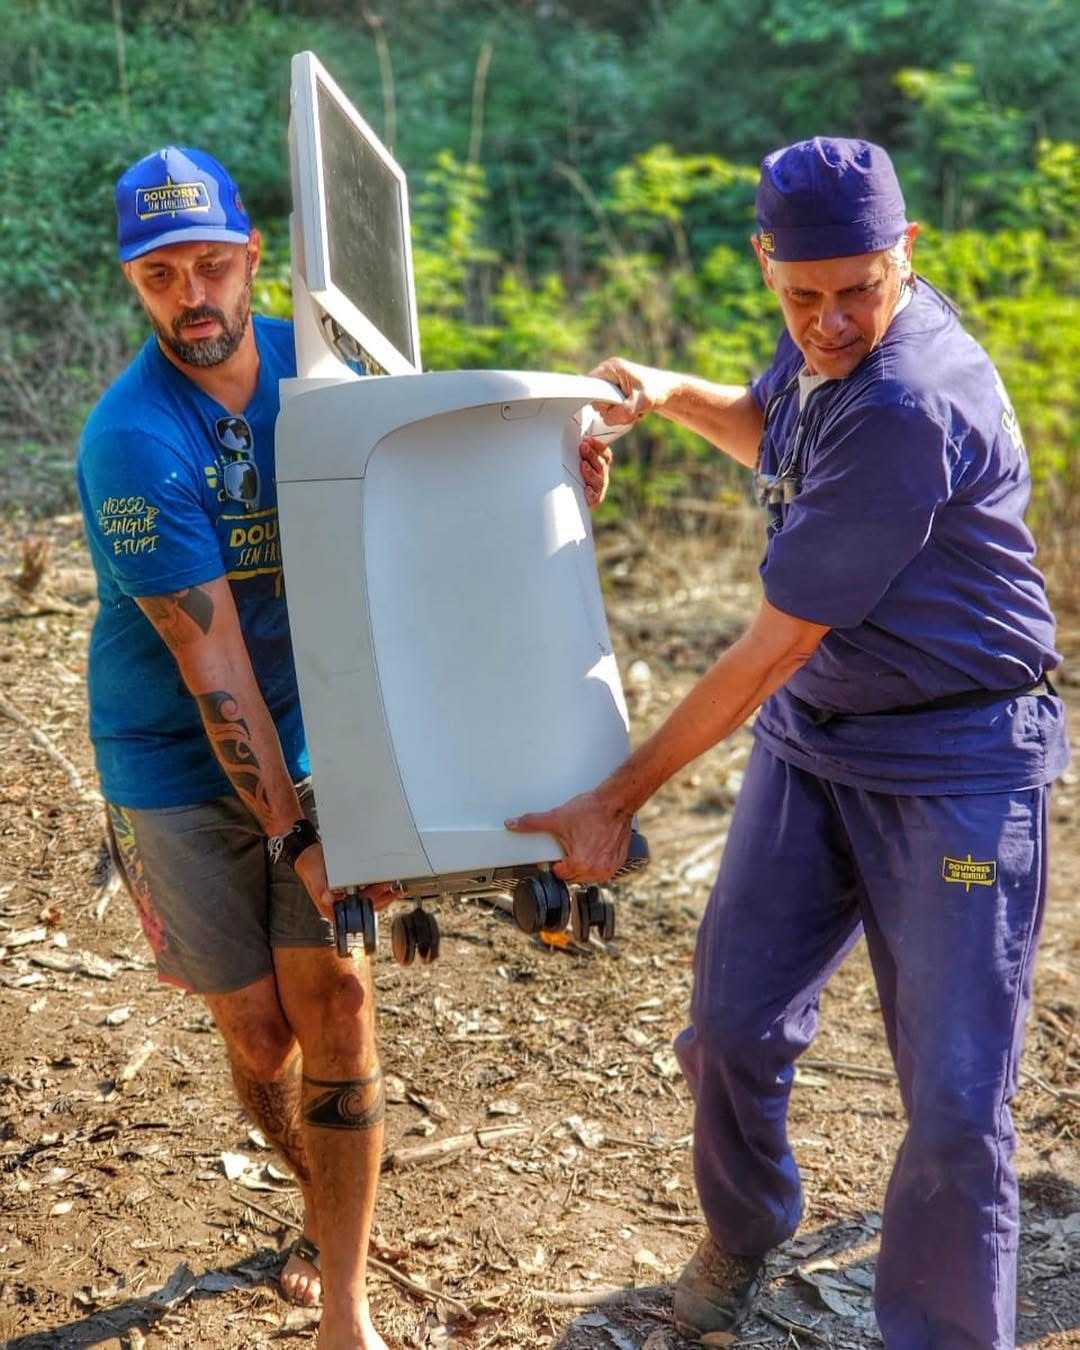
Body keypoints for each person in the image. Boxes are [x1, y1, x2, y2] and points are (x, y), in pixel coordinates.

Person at [508, 137, 1069, 1348]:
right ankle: (749, 1229)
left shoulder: (912, 398)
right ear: (767, 259)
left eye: (858, 290)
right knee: (730, 1027)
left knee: (959, 1101)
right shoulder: (830, 334)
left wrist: (615, 798)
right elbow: (776, 426)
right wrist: (663, 391)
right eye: (801, 294)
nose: (827, 320)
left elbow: (772, 646)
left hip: (960, 769)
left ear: (907, 254)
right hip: (821, 746)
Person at [76, 146, 393, 1350]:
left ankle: (344, 1290)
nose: (193, 297)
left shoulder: (327, 376)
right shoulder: (132, 441)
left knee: (340, 1007)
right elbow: (212, 671)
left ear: (254, 255)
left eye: (212, 266)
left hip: (317, 727)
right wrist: (295, 831)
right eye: (163, 277)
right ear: (134, 284)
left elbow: (420, 499)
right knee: (261, 1035)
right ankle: (317, 1192)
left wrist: (548, 482)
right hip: (168, 752)